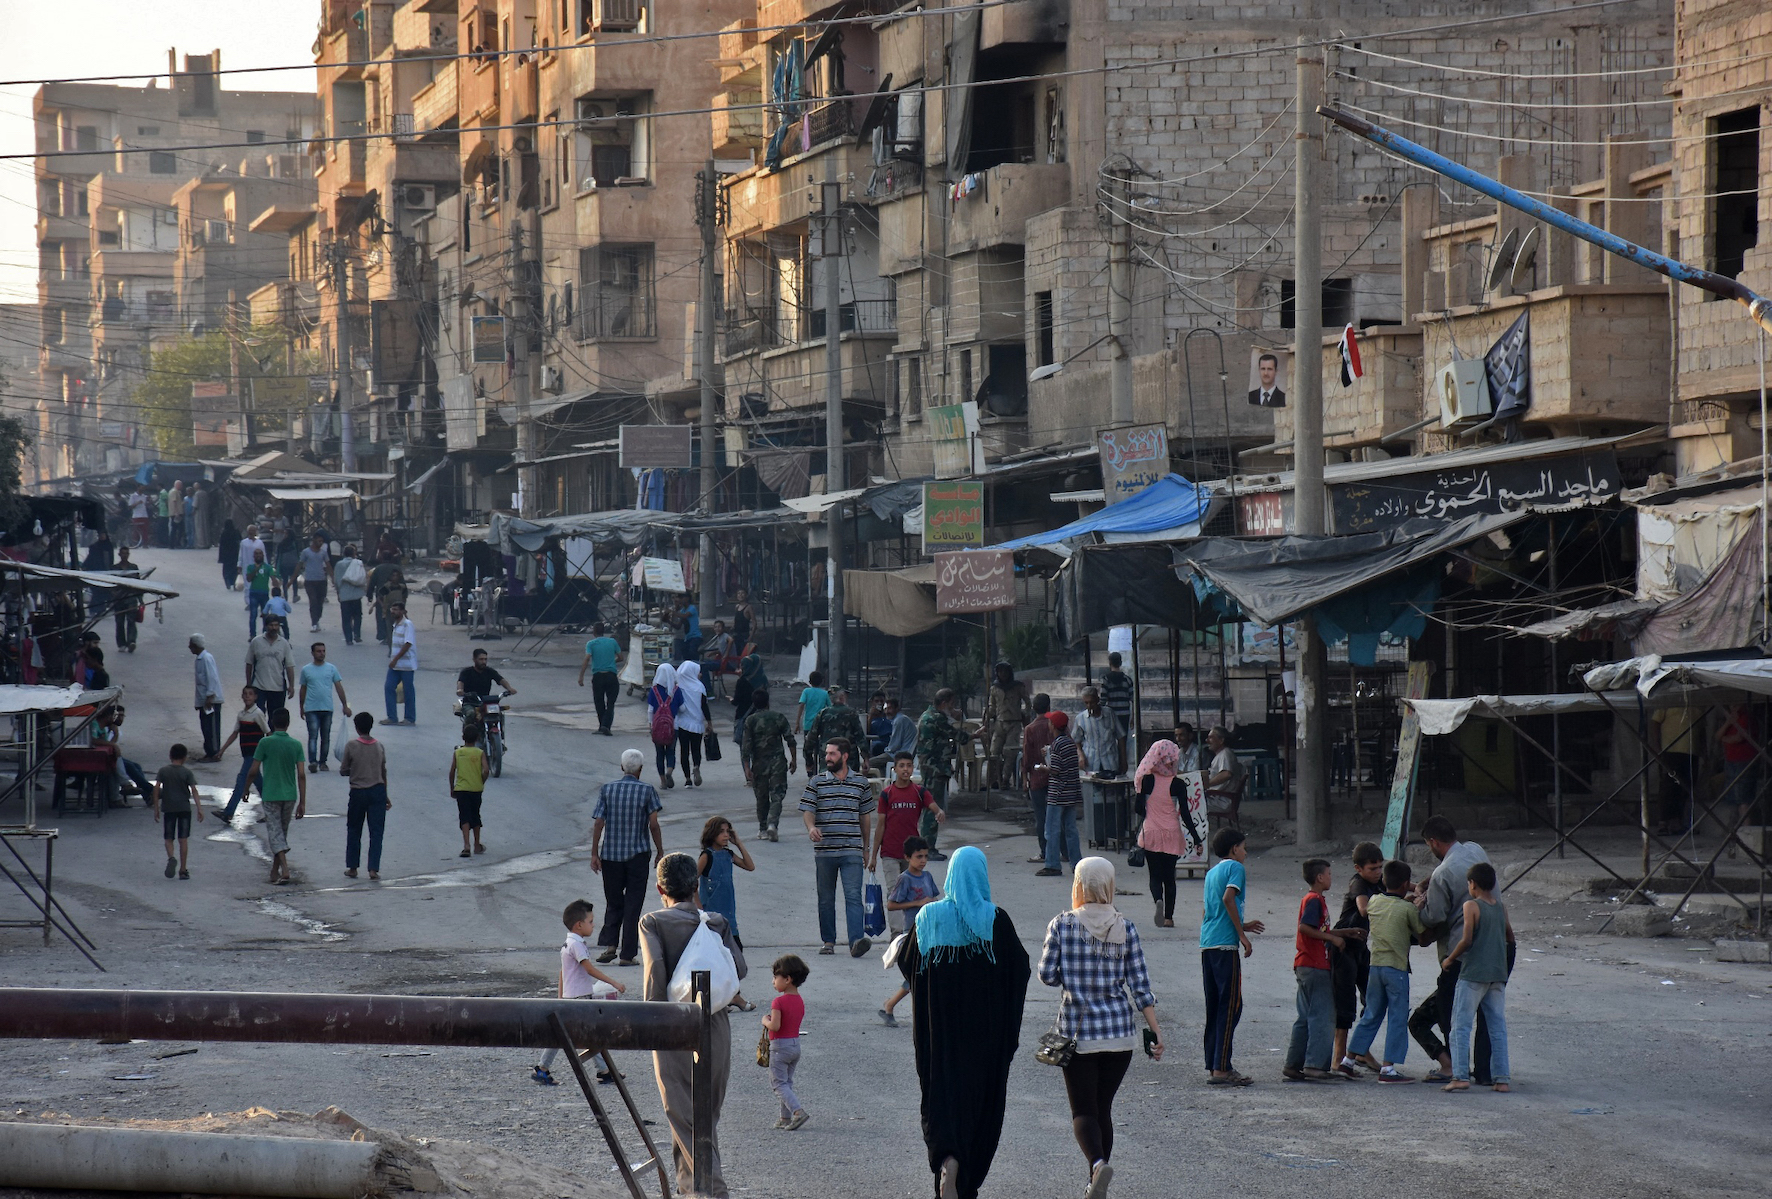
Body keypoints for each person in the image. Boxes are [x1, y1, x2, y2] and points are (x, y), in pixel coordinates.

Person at [896, 845, 1029, 1199]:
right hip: (984, 1040)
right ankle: (965, 1176)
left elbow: (908, 964)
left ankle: (946, 1160)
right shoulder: (996, 920)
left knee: (940, 1100)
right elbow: (1020, 970)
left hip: (937, 1037)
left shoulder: (927, 918)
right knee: (981, 1106)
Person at [1039, 857, 1162, 1199]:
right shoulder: (1126, 927)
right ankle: (1095, 1180)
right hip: (1119, 1037)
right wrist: (1155, 1032)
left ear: (1078, 884)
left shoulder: (1062, 925)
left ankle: (1096, 1165)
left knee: (1083, 1111)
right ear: (1108, 884)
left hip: (1079, 1036)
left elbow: (1046, 975)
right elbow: (1140, 987)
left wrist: (1074, 978)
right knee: (1102, 1109)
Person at [639, 852, 748, 1198]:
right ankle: (691, 1190)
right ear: (695, 885)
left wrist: (647, 1023)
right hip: (715, 1023)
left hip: (672, 1024)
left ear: (660, 888)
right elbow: (740, 969)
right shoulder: (715, 921)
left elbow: (656, 972)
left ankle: (713, 1190)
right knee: (705, 1117)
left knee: (683, 1116)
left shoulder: (653, 922)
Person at [1408, 816, 1498, 1084]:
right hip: (1493, 949)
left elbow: (1433, 917)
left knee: (1451, 1014)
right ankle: (1486, 1072)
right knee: (1487, 1015)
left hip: (1461, 953)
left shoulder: (1442, 874)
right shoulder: (1475, 850)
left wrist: (1416, 903)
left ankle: (1454, 1068)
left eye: (1428, 845)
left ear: (1433, 842)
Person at [1347, 859, 1427, 1083]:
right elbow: (1421, 933)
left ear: (1384, 880)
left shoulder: (1373, 901)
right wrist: (1417, 908)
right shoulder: (1408, 909)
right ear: (1405, 884)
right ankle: (1388, 1068)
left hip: (1376, 966)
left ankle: (1348, 1060)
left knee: (1371, 1014)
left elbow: (1391, 910)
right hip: (1396, 968)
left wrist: (1407, 904)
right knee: (1397, 1018)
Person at [533, 898, 627, 1086]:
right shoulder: (576, 945)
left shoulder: (569, 944)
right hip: (579, 999)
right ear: (579, 925)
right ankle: (602, 1071)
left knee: (573, 1035)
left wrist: (560, 996)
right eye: (590, 922)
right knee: (589, 1034)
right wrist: (614, 983)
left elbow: (563, 972)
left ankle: (602, 1070)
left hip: (573, 997)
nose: (593, 925)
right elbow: (589, 969)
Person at [1439, 861, 1515, 1093]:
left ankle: (1460, 1075)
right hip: (1496, 974)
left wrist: (1449, 959)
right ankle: (1502, 1079)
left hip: (1473, 974)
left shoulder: (1471, 905)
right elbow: (1510, 937)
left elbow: (1467, 940)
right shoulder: (1500, 907)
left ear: (1472, 884)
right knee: (1496, 1027)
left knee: (1460, 1025)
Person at [1201, 827, 1265, 1085]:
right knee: (1231, 1007)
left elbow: (1212, 909)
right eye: (1243, 846)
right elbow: (1229, 898)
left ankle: (1214, 1063)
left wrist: (1242, 924)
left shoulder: (1211, 873)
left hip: (1208, 943)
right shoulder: (1235, 869)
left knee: (1216, 1007)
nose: (1245, 852)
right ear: (1233, 849)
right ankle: (1222, 1068)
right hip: (1226, 946)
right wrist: (1242, 935)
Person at [590, 748, 666, 966]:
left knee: (613, 901)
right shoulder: (647, 791)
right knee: (633, 904)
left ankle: (610, 945)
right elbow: (653, 824)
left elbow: (598, 823)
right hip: (638, 855)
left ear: (622, 767)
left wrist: (595, 853)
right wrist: (660, 850)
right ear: (640, 769)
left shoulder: (607, 790)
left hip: (611, 856)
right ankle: (627, 954)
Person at [800, 736, 874, 957]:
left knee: (853, 896)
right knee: (826, 898)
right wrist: (811, 828)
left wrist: (866, 847)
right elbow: (808, 810)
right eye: (826, 754)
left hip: (851, 849)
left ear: (845, 756)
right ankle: (828, 942)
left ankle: (855, 941)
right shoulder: (816, 782)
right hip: (825, 851)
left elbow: (865, 818)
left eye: (832, 754)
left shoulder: (861, 783)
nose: (827, 758)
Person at [1282, 858, 1354, 1082]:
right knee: (1323, 1016)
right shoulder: (1314, 900)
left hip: (1305, 965)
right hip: (1315, 965)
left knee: (1305, 1017)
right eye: (1329, 874)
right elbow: (1306, 927)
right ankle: (1315, 1065)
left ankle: (1293, 1064)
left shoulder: (1313, 899)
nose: (1332, 878)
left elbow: (1318, 928)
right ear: (1320, 877)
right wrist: (1332, 938)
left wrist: (1343, 933)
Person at [867, 752, 947, 937]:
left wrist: (939, 812)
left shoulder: (919, 792)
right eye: (901, 765)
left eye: (909, 765)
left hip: (911, 854)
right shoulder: (887, 794)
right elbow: (880, 826)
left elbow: (933, 805)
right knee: (893, 891)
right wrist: (873, 856)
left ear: (913, 768)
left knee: (912, 892)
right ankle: (897, 934)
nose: (905, 769)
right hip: (889, 852)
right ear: (894, 769)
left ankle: (910, 931)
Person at [1133, 739, 1201, 928]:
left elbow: (1138, 810)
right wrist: (1197, 838)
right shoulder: (1178, 784)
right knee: (1169, 877)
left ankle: (1157, 901)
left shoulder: (1146, 781)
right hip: (1171, 833)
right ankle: (1169, 918)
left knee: (1154, 875)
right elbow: (1186, 815)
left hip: (1151, 832)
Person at [1332, 842, 1385, 1077]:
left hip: (1361, 948)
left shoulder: (1377, 882)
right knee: (1345, 1006)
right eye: (1373, 868)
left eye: (1380, 868)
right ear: (1359, 868)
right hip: (1343, 948)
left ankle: (1360, 1050)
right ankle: (1338, 1059)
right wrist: (1391, 903)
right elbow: (1363, 910)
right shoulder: (1358, 883)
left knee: (1373, 999)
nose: (1378, 872)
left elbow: (1398, 886)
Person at [877, 835, 939, 1026]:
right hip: (912, 934)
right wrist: (918, 903)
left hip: (929, 933)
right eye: (919, 856)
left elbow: (934, 899)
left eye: (925, 857)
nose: (923, 861)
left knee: (924, 974)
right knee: (918, 974)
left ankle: (891, 1005)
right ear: (907, 857)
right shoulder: (904, 879)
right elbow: (891, 905)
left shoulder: (927, 877)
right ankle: (892, 1005)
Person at [245, 707, 306, 885]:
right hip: (290, 795)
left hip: (271, 794)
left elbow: (253, 770)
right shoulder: (296, 745)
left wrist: (246, 789)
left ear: (272, 723)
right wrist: (302, 801)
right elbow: (301, 774)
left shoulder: (265, 743)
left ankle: (284, 869)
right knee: (281, 833)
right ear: (288, 723)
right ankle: (274, 870)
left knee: (275, 833)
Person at [916, 689, 967, 861]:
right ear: (944, 703)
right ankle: (928, 848)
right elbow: (957, 735)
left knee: (931, 806)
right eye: (951, 704)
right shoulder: (937, 718)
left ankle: (927, 845)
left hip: (932, 766)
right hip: (935, 768)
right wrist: (974, 734)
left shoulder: (927, 714)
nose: (953, 708)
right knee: (933, 807)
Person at [339, 711, 391, 880]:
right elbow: (383, 773)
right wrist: (386, 795)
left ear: (356, 727)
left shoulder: (351, 746)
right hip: (377, 791)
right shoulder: (379, 746)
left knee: (354, 829)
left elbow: (344, 770)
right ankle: (373, 869)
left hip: (358, 792)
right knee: (376, 831)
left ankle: (353, 867)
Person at [762, 953, 811, 1130]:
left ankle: (798, 1112)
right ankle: (785, 1117)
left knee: (778, 1083)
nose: (773, 981)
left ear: (787, 979)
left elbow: (774, 1026)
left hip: (779, 1047)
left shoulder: (778, 1001)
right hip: (794, 1045)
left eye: (776, 977)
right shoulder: (799, 1000)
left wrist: (764, 1021)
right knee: (786, 1082)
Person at [742, 689, 796, 841]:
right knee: (777, 795)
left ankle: (763, 828)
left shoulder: (750, 720)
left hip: (759, 764)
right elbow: (790, 739)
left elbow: (746, 746)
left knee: (761, 797)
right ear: (768, 702)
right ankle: (773, 824)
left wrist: (746, 767)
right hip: (778, 763)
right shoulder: (778, 717)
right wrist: (794, 760)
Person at [1038, 710, 1082, 877]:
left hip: (1058, 794)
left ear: (1053, 726)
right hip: (1072, 793)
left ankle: (1052, 864)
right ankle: (1077, 863)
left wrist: (1043, 768)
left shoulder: (1056, 744)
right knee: (1071, 830)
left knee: (1051, 830)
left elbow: (1055, 769)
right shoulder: (1070, 743)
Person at [215, 686, 269, 823]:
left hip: (254, 754)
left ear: (255, 697)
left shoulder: (257, 713)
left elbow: (267, 732)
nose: (247, 697)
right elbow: (235, 733)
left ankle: (228, 812)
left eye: (250, 694)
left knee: (241, 781)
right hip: (247, 754)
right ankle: (272, 812)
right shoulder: (241, 715)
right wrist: (222, 750)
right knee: (260, 784)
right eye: (245, 694)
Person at [152, 742, 204, 881]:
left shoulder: (163, 771)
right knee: (183, 839)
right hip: (184, 809)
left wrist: (156, 807)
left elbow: (156, 788)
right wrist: (199, 808)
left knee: (168, 838)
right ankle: (183, 870)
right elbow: (194, 790)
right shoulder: (187, 772)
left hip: (169, 808)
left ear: (170, 756)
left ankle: (171, 857)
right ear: (185, 757)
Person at [299, 642, 351, 773]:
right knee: (313, 736)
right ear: (312, 653)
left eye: (323, 651)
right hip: (311, 708)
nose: (321, 653)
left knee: (325, 736)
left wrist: (345, 705)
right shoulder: (306, 670)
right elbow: (303, 689)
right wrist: (301, 706)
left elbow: (339, 687)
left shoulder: (331, 668)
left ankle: (323, 762)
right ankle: (312, 762)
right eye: (318, 651)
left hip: (327, 708)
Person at [1652, 700, 1699, 836]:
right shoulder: (1669, 700)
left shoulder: (1699, 702)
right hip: (1671, 750)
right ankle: (1663, 822)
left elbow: (1701, 730)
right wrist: (1656, 747)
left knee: (1686, 787)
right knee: (1668, 786)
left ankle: (1677, 822)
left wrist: (1705, 752)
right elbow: (1655, 722)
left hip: (1691, 752)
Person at [1019, 695, 1057, 863]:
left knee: (1041, 817)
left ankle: (1044, 852)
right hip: (1056, 776)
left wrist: (1024, 778)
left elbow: (1026, 757)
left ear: (1033, 709)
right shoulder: (1055, 725)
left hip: (1037, 777)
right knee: (1058, 815)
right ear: (1048, 707)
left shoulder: (1030, 729)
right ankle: (1061, 850)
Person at [982, 662, 1029, 790]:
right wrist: (987, 717)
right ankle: (992, 779)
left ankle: (1005, 779)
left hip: (1014, 722)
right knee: (993, 752)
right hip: (999, 723)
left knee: (1010, 751)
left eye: (1005, 671)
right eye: (1000, 672)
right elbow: (992, 706)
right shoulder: (994, 688)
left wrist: (1025, 714)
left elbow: (1028, 702)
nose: (1002, 674)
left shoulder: (1018, 687)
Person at [1718, 704, 1757, 857]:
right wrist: (1729, 722)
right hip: (1731, 761)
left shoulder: (1747, 719)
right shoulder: (1733, 719)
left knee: (1744, 799)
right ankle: (1736, 832)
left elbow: (1739, 737)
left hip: (1744, 760)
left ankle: (1746, 833)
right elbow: (1718, 736)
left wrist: (1726, 738)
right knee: (1734, 798)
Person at [449, 723, 490, 858]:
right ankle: (477, 844)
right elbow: (486, 770)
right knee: (475, 815)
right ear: (478, 738)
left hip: (461, 789)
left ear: (462, 737)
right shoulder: (480, 753)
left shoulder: (458, 753)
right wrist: (481, 781)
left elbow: (452, 772)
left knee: (464, 816)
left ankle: (466, 846)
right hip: (476, 789)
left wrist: (452, 787)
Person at [577, 622, 623, 735]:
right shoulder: (612, 642)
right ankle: (605, 726)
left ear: (594, 632)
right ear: (604, 631)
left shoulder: (591, 644)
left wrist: (581, 676)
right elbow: (621, 657)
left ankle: (602, 725)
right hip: (611, 676)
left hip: (598, 676)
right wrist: (612, 662)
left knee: (599, 702)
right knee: (611, 703)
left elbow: (587, 659)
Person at [806, 687, 864, 774]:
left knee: (827, 783)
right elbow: (860, 736)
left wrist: (809, 760)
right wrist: (866, 757)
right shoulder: (851, 713)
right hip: (849, 758)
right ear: (841, 697)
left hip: (827, 758)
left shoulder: (822, 714)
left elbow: (811, 738)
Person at [246, 617, 296, 715]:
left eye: (276, 625)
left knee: (275, 719)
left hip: (278, 688)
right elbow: (249, 664)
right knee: (258, 717)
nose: (274, 628)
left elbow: (289, 666)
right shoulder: (256, 642)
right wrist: (249, 684)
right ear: (266, 626)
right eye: (271, 625)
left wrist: (291, 686)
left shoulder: (284, 644)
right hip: (258, 687)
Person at [673, 661, 710, 788]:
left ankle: (688, 779)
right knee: (696, 749)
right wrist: (709, 723)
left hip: (683, 723)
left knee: (684, 751)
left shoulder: (679, 687)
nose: (700, 674)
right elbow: (704, 706)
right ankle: (696, 766)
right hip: (697, 724)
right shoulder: (700, 687)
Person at [647, 663, 683, 788]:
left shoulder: (654, 690)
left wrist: (651, 724)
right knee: (671, 752)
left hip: (657, 727)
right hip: (673, 726)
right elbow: (682, 708)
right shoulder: (676, 690)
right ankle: (669, 771)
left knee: (659, 754)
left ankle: (662, 781)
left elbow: (650, 710)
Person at [189, 634, 225, 762]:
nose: (189, 647)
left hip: (211, 700)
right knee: (205, 727)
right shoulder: (200, 659)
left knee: (212, 728)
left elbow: (212, 678)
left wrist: (210, 696)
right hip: (204, 700)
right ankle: (209, 751)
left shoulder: (206, 659)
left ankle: (214, 753)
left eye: (191, 645)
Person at [383, 602, 417, 725]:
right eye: (392, 609)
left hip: (406, 665)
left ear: (403, 611)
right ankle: (392, 717)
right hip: (395, 665)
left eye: (396, 610)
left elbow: (407, 644)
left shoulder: (407, 625)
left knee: (408, 691)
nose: (393, 612)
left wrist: (395, 659)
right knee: (389, 687)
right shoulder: (395, 625)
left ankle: (410, 718)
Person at [1098, 654, 1134, 765]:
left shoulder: (1106, 679)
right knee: (1123, 740)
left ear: (1110, 663)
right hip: (1125, 713)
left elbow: (1103, 700)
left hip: (1111, 714)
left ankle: (1114, 763)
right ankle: (1123, 763)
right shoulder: (1127, 680)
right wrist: (1133, 717)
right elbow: (1133, 699)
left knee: (1110, 740)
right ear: (1120, 663)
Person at [1203, 725, 1243, 822]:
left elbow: (1226, 774)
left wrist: (1207, 784)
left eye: (1211, 737)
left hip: (1222, 801)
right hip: (1219, 798)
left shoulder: (1225, 754)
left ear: (1221, 740)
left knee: (1187, 802)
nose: (1207, 740)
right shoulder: (1221, 754)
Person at [795, 670, 831, 771]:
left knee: (807, 748)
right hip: (821, 726)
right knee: (822, 749)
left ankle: (809, 767)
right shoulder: (824, 694)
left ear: (810, 682)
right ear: (821, 682)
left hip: (808, 725)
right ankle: (822, 770)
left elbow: (801, 705)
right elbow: (830, 708)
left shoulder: (806, 691)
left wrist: (797, 722)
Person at [298, 533, 331, 633]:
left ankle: (317, 619)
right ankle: (314, 623)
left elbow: (328, 565)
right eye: (319, 541)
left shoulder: (323, 553)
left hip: (321, 580)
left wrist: (333, 578)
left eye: (322, 541)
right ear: (314, 540)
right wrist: (292, 579)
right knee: (313, 601)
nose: (321, 543)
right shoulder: (306, 552)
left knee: (320, 602)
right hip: (310, 581)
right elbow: (299, 564)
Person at [730, 652, 766, 742]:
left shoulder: (742, 682)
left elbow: (736, 701)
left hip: (744, 715)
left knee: (745, 745)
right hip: (760, 718)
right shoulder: (763, 680)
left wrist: (731, 700)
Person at [245, 548, 275, 637]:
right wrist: (256, 569)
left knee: (265, 616)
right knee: (253, 615)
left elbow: (273, 578)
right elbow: (249, 579)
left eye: (260, 554)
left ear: (263, 556)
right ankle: (252, 635)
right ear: (254, 556)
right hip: (254, 593)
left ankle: (265, 635)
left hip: (264, 594)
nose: (258, 555)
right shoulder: (250, 567)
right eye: (256, 554)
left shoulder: (268, 567)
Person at [376, 569, 410, 648]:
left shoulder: (402, 587)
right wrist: (383, 606)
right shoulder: (387, 587)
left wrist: (403, 607)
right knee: (390, 630)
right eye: (393, 576)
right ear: (390, 577)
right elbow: (379, 597)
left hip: (400, 611)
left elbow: (404, 597)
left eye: (397, 576)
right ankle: (391, 649)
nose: (395, 577)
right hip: (390, 611)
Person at [237, 524, 266, 592]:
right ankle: (249, 599)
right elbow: (240, 554)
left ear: (256, 531)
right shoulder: (244, 543)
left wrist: (265, 564)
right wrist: (239, 565)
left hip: (258, 565)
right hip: (246, 565)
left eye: (253, 530)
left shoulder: (260, 542)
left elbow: (263, 554)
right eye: (250, 530)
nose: (251, 532)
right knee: (248, 583)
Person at [218, 519, 243, 590]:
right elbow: (240, 541)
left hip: (226, 556)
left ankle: (228, 581)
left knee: (226, 570)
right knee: (234, 570)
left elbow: (221, 546)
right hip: (235, 555)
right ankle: (234, 583)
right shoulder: (236, 532)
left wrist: (221, 557)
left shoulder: (224, 533)